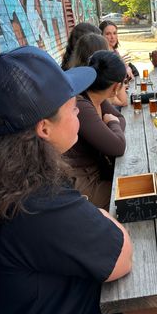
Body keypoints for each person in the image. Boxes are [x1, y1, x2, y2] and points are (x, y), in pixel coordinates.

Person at [0, 46, 157, 314]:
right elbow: (121, 257)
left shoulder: (16, 179)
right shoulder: (36, 200)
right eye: (71, 107)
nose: (78, 108)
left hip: (44, 309)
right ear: (44, 129)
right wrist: (100, 216)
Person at [66, 50, 128, 209]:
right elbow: (117, 146)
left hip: (96, 172)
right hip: (83, 183)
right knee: (131, 197)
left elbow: (120, 119)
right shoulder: (82, 105)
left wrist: (112, 127)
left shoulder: (96, 97)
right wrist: (112, 126)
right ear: (116, 87)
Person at [69, 33, 128, 108]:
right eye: (107, 49)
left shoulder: (78, 81)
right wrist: (119, 68)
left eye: (114, 33)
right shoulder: (93, 93)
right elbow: (123, 101)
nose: (109, 52)